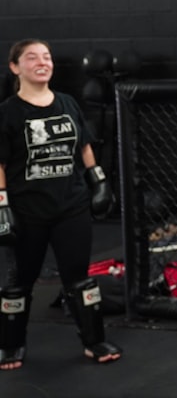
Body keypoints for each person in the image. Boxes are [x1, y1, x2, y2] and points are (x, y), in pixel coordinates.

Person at [0, 39, 122, 370]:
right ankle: (11, 345)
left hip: (71, 206)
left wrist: (98, 181)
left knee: (79, 279)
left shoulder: (67, 103)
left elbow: (82, 144)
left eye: (47, 57)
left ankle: (93, 341)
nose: (42, 62)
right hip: (27, 211)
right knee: (18, 284)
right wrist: (2, 206)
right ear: (15, 67)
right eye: (32, 58)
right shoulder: (8, 112)